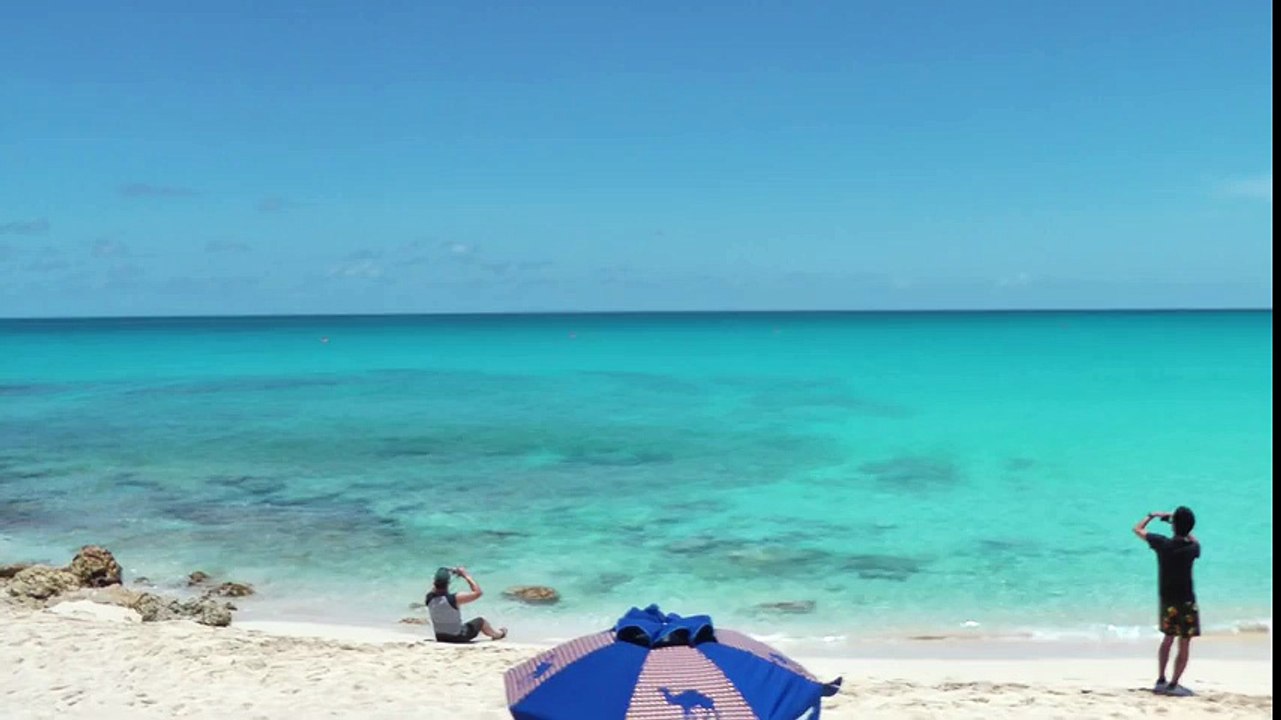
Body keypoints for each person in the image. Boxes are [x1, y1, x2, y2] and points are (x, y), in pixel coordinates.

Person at [1133, 506, 1200, 696]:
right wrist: (1176, 521)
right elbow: (1195, 541)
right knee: (1184, 643)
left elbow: (1137, 529)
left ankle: (1161, 679)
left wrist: (1151, 515)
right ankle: (1174, 684)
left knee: (1168, 639)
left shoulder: (1162, 544)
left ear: (1173, 525)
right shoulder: (1192, 548)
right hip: (1186, 601)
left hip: (1167, 600)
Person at [425, 566, 507, 643]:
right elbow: (478, 593)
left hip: (440, 637)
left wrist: (449, 572)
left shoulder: (429, 598)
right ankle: (498, 634)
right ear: (448, 583)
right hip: (457, 637)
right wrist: (465, 575)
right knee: (481, 621)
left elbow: (436, 589)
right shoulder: (453, 599)